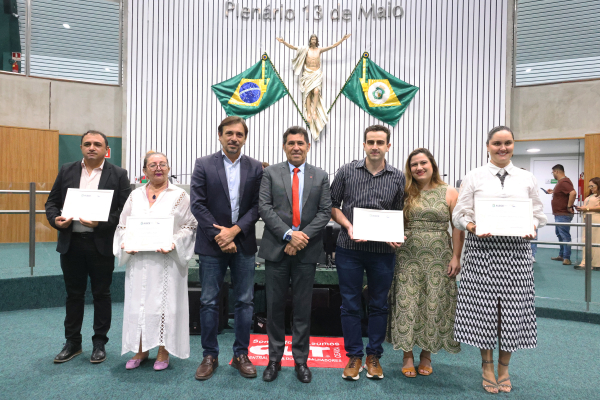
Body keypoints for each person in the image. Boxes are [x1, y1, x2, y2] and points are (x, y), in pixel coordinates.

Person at [452, 126, 546, 393]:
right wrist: (472, 227)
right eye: (497, 143)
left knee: (512, 312)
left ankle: (504, 367)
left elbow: (538, 213)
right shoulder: (474, 176)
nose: (502, 148)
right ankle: (487, 365)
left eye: (508, 143)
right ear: (488, 146)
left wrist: (532, 226)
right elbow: (459, 214)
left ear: (513, 145)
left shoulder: (527, 178)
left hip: (516, 253)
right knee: (484, 312)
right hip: (482, 251)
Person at [45, 130, 131, 364]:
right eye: (87, 144)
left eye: (97, 144)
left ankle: (99, 343)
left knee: (101, 294)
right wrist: (55, 220)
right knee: (74, 295)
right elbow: (52, 203)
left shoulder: (119, 174)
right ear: (81, 147)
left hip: (100, 244)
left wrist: (101, 222)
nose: (92, 147)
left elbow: (125, 210)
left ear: (106, 150)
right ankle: (72, 342)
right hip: (71, 244)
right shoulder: (67, 170)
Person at [330, 125, 406, 381]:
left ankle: (373, 355)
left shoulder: (398, 177)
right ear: (364, 145)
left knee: (379, 304)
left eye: (380, 142)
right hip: (349, 249)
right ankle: (354, 355)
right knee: (349, 303)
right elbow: (332, 206)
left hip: (382, 252)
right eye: (370, 142)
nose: (375, 146)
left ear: (388, 146)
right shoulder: (346, 171)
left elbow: (398, 213)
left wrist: (395, 234)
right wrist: (349, 226)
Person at [190, 116, 263, 380]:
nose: (234, 138)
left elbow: (258, 206)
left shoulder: (256, 167)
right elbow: (197, 204)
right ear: (220, 135)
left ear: (245, 138)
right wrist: (221, 234)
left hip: (243, 243)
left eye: (239, 134)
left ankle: (241, 354)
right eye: (229, 133)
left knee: (245, 301)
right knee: (209, 301)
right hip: (212, 244)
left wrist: (235, 231)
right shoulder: (203, 164)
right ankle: (209, 355)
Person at [258, 126, 331, 383]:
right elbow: (264, 207)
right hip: (276, 249)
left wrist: (300, 238)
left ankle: (301, 361)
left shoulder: (320, 176)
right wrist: (289, 235)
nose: (296, 147)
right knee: (274, 308)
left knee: (302, 309)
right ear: (284, 146)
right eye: (291, 143)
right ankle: (274, 360)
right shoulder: (270, 173)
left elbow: (325, 212)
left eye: (300, 143)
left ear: (308, 146)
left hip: (306, 250)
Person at [114, 152, 197, 371]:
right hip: (139, 260)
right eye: (152, 165)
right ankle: (140, 349)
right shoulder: (135, 196)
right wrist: (126, 243)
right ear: (144, 171)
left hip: (167, 261)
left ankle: (163, 350)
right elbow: (123, 225)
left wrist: (173, 242)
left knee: (165, 306)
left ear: (168, 168)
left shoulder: (180, 195)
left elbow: (190, 226)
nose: (158, 168)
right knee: (138, 306)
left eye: (162, 164)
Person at [386, 148, 464, 378]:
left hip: (439, 257)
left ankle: (426, 355)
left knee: (433, 302)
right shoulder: (404, 192)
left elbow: (457, 228)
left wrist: (456, 256)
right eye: (414, 165)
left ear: (432, 165)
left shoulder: (449, 192)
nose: (419, 168)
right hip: (407, 256)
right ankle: (407, 355)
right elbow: (392, 220)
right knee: (407, 302)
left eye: (423, 163)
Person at [276, 33, 351, 140]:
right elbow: (293, 47)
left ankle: (314, 110)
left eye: (315, 39)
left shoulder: (319, 50)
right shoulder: (306, 50)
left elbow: (333, 46)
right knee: (307, 93)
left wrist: (342, 39)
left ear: (317, 41)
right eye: (312, 39)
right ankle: (309, 113)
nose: (314, 40)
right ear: (310, 40)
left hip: (316, 73)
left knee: (316, 91)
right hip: (308, 73)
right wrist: (284, 42)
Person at [545, 164, 577, 265]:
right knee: (560, 235)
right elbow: (563, 193)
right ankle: (562, 255)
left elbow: (573, 193)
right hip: (559, 213)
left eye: (553, 172)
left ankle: (567, 258)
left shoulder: (564, 181)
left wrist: (569, 206)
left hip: (563, 213)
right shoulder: (561, 182)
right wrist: (554, 191)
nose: (553, 174)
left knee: (565, 236)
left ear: (556, 171)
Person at [575, 177, 600, 271]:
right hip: (587, 219)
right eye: (589, 186)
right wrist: (582, 208)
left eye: (592, 186)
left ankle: (596, 263)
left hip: (596, 219)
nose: (591, 188)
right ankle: (585, 262)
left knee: (596, 241)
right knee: (586, 241)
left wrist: (587, 209)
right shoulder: (591, 195)